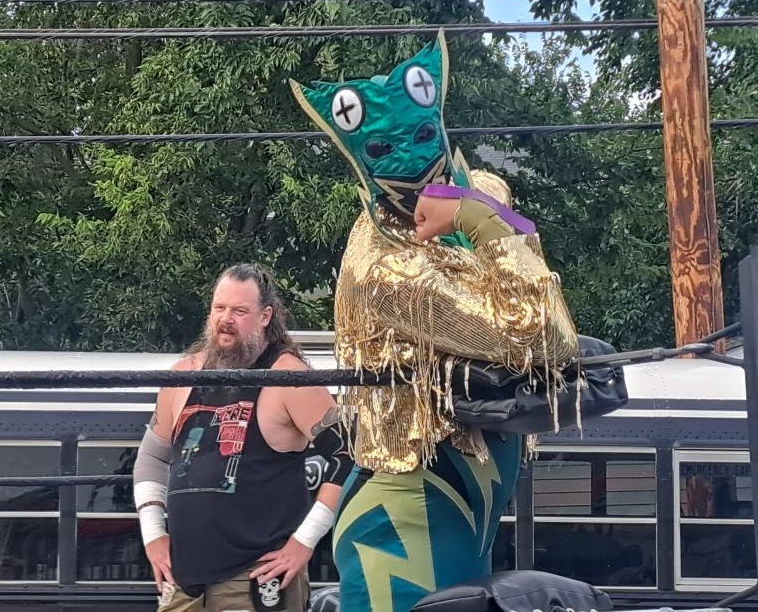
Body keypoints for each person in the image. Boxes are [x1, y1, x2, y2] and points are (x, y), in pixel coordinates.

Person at [289, 32, 580, 612]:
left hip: (462, 498)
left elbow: (543, 302)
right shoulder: (385, 269)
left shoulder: (483, 191)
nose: (441, 194)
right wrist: (481, 218)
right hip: (407, 515)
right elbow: (548, 339)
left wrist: (479, 209)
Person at [133, 263, 353, 612]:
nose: (226, 319)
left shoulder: (288, 377)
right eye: (219, 308)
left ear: (265, 316)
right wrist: (153, 534)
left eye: (239, 311)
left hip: (255, 577)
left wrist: (305, 541)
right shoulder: (184, 375)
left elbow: (349, 455)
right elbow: (151, 458)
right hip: (184, 577)